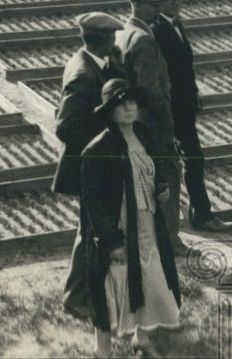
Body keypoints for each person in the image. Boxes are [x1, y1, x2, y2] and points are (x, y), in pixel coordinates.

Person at [80, 79, 182, 358]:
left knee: (149, 280)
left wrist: (160, 188)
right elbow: (94, 203)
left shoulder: (143, 135)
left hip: (147, 225)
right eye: (120, 103)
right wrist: (111, 241)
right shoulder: (98, 150)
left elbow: (154, 170)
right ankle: (103, 351)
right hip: (120, 229)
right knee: (112, 292)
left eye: (132, 102)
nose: (128, 107)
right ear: (109, 111)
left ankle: (143, 339)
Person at [52, 11, 125, 320]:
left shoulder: (93, 63)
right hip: (89, 167)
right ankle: (77, 298)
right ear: (105, 39)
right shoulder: (83, 75)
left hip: (92, 165)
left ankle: (80, 294)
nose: (115, 41)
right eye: (112, 37)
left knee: (89, 229)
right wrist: (97, 145)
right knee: (91, 232)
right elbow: (66, 128)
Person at [152, 0, 232, 233]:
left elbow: (184, 67)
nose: (176, 3)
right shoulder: (155, 30)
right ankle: (198, 216)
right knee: (190, 160)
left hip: (184, 105)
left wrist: (194, 92)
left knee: (191, 160)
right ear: (158, 1)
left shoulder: (176, 23)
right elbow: (163, 74)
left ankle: (194, 215)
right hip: (172, 108)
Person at [116, 0, 186, 254]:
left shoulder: (123, 33)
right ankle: (170, 240)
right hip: (152, 123)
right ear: (140, 6)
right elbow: (150, 88)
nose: (159, 13)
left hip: (134, 122)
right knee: (167, 175)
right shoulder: (143, 38)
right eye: (154, 8)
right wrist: (166, 122)